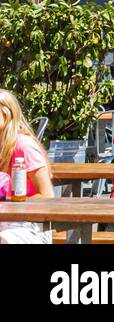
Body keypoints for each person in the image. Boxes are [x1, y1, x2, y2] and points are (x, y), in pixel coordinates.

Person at [0, 90, 52, 246]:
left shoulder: (23, 145)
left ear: (6, 113)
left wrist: (13, 203)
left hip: (31, 226)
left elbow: (47, 195)